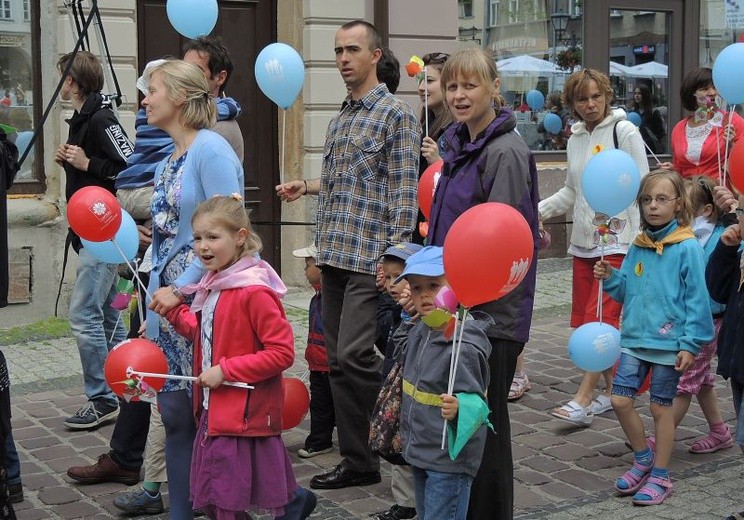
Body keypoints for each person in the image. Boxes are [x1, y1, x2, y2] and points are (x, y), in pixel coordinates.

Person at [300, 20, 419, 491]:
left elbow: (404, 192)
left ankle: (408, 421)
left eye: (353, 49)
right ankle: (359, 460)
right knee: (335, 362)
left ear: (375, 55)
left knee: (354, 354)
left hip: (370, 257)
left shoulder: (396, 115)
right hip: (333, 255)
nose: (343, 58)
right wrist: (315, 244)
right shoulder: (340, 118)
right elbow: (338, 189)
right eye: (338, 51)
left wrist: (395, 256)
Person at [426, 48, 538, 520]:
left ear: (494, 87)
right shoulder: (458, 145)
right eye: (452, 86)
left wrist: (461, 299)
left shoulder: (504, 151)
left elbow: (500, 241)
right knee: (465, 420)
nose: (458, 95)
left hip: (491, 313)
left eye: (469, 85)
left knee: (484, 424)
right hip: (460, 304)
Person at [156, 195, 316, 520]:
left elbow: (282, 352)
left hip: (243, 412)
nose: (203, 246)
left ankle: (292, 505)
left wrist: (225, 370)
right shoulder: (213, 285)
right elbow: (207, 334)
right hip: (214, 410)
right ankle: (293, 505)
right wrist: (175, 313)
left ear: (240, 237)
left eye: (213, 237)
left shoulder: (254, 292)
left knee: (228, 496)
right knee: (219, 496)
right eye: (198, 238)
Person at [143, 59, 243, 519]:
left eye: (153, 90)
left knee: (217, 417)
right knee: (176, 415)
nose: (145, 98)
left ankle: (285, 499)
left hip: (203, 304)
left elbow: (230, 233)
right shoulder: (167, 162)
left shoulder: (212, 150)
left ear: (180, 97)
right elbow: (168, 237)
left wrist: (182, 289)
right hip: (165, 306)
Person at [594, 169, 714, 506]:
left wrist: (691, 344)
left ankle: (660, 475)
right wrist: (611, 277)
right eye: (647, 200)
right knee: (620, 400)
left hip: (668, 345)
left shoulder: (687, 246)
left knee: (661, 409)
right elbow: (628, 289)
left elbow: (697, 300)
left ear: (678, 204)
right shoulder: (639, 244)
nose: (653, 206)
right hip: (634, 338)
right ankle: (643, 457)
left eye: (662, 199)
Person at [538, 68, 649, 428]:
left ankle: (583, 397)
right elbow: (572, 191)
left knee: (599, 320)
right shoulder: (574, 139)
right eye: (582, 98)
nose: (590, 104)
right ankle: (615, 393)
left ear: (606, 96)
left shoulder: (623, 131)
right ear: (572, 103)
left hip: (617, 243)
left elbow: (644, 185)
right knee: (584, 321)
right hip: (584, 244)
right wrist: (534, 211)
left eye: (596, 96)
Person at [55, 50, 133, 430]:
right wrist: (71, 162)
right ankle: (122, 388)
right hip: (90, 232)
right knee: (110, 315)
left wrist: (88, 165)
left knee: (84, 314)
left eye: (63, 77)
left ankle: (102, 397)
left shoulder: (101, 117)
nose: (61, 84)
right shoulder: (82, 118)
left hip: (104, 233)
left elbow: (130, 167)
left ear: (72, 81)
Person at [392, 246, 491, 520]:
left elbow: (479, 403)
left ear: (456, 286)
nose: (424, 295)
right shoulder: (422, 328)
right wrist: (405, 318)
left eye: (434, 286)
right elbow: (400, 354)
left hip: (448, 458)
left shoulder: (464, 345)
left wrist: (460, 407)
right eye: (416, 288)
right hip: (421, 449)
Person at [371, 242, 422, 520]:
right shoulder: (394, 312)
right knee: (398, 445)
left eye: (398, 277)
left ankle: (418, 500)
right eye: (387, 277)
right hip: (396, 390)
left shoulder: (424, 318)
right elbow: (382, 335)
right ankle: (406, 503)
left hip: (416, 392)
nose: (392, 284)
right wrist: (382, 296)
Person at [706, 192, 744, 520]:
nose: (739, 219)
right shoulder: (738, 251)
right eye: (740, 211)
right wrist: (726, 250)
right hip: (739, 360)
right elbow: (717, 291)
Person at [661, 67, 744, 180]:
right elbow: (680, 169)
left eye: (715, 88)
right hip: (689, 194)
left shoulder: (731, 121)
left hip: (719, 194)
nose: (712, 93)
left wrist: (732, 146)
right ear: (692, 94)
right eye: (705, 89)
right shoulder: (679, 128)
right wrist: (673, 170)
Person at [292, 242, 336, 459]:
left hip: (330, 363)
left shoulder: (331, 298)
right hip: (317, 362)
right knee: (320, 403)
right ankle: (320, 439)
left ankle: (323, 440)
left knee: (327, 404)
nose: (305, 269)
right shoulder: (315, 299)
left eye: (308, 264)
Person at [412, 51, 453, 245]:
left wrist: (437, 162)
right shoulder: (424, 125)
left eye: (428, 81)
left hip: (444, 226)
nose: (421, 88)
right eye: (420, 81)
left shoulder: (457, 130)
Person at [628, 84, 666, 154]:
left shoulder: (653, 113)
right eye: (635, 93)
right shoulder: (632, 112)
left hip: (650, 150)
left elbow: (661, 134)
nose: (636, 96)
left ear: (645, 95)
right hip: (636, 148)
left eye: (639, 93)